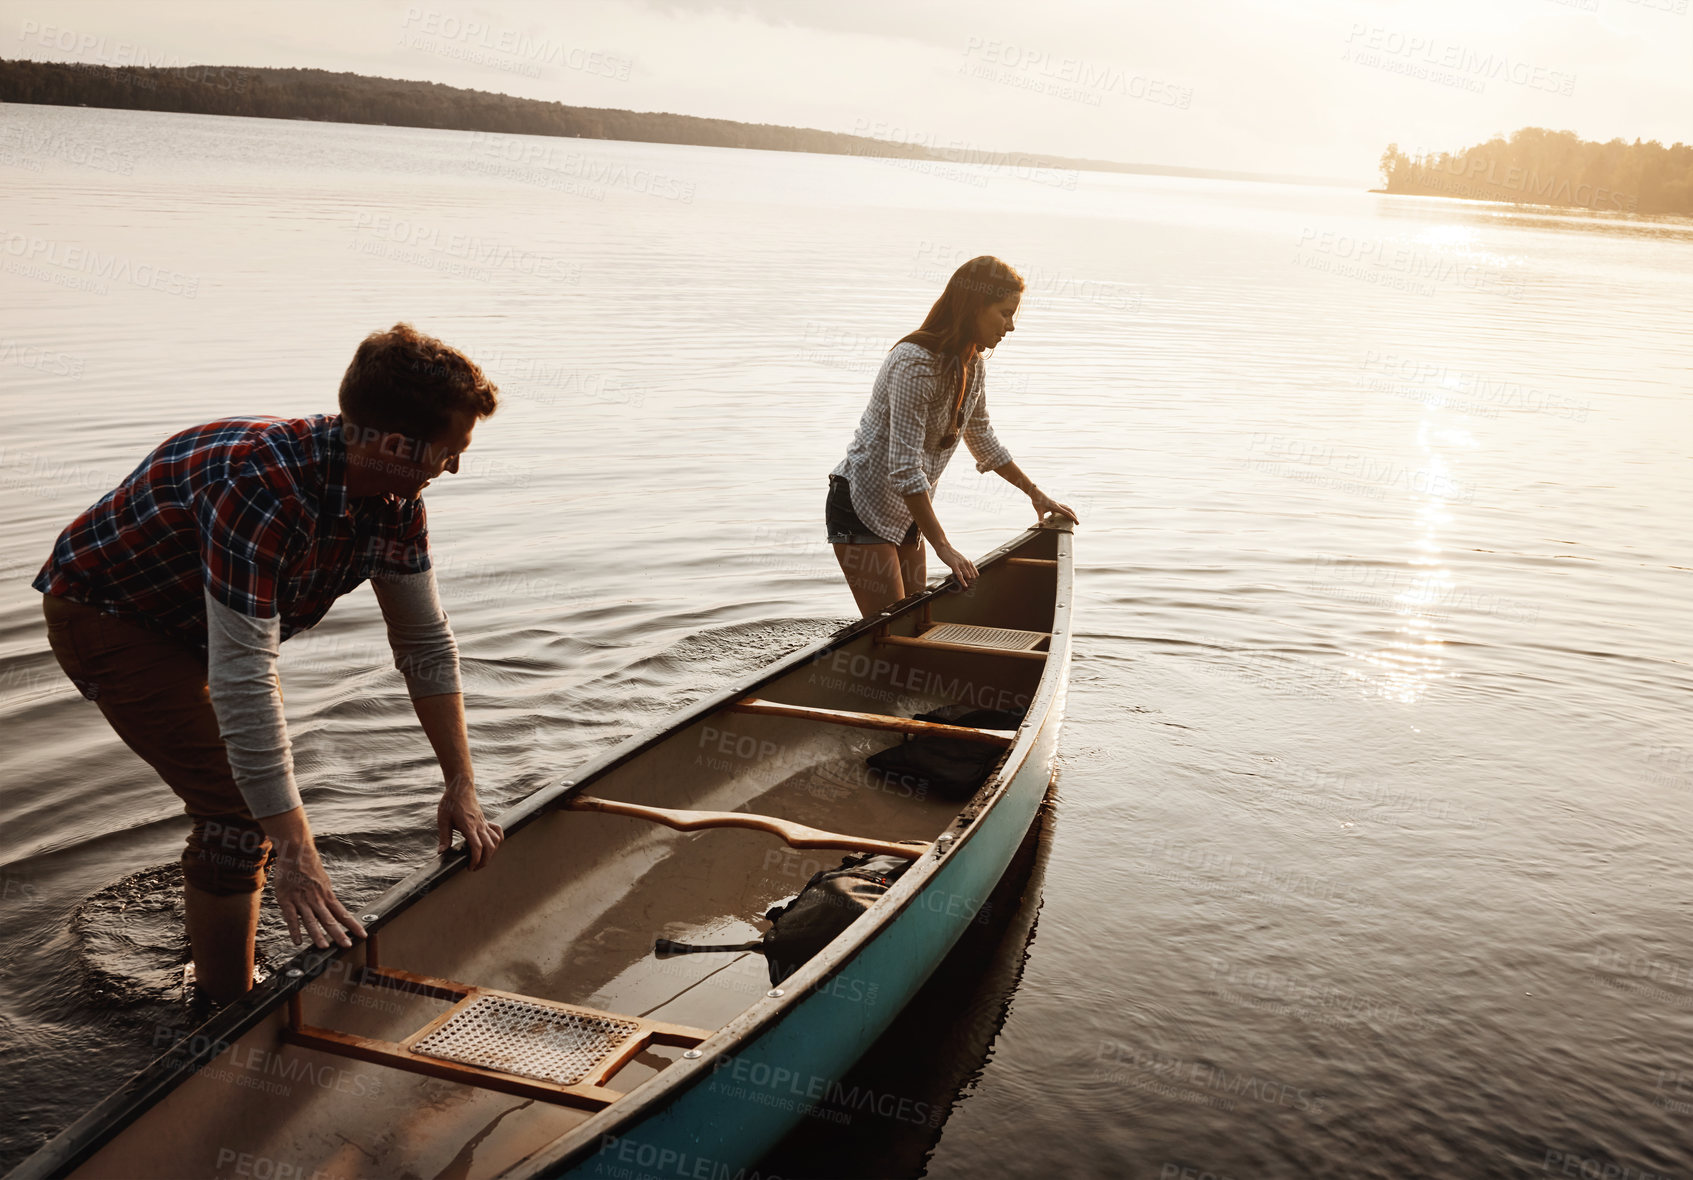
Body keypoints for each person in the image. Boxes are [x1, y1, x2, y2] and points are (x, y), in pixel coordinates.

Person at [33, 323, 505, 1004]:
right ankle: (222, 1012)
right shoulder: (262, 486)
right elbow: (245, 677)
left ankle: (214, 941)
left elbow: (423, 641)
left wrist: (460, 781)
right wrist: (294, 850)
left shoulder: (397, 503)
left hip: (200, 618)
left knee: (253, 802)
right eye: (448, 449)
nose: (453, 466)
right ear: (391, 442)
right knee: (237, 814)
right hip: (110, 615)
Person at [827, 255, 1079, 616]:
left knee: (915, 622)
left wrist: (1035, 494)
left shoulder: (971, 364)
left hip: (907, 510)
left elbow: (982, 437)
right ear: (975, 306)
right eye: (1005, 313)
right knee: (889, 630)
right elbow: (903, 467)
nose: (1010, 327)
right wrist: (943, 545)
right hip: (861, 505)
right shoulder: (914, 363)